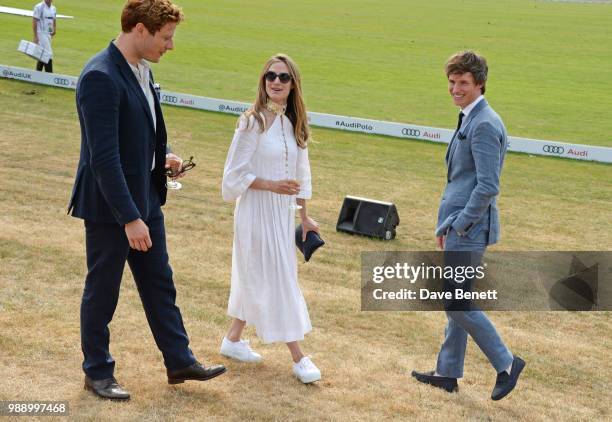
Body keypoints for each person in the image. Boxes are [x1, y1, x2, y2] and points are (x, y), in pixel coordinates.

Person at [67, 0, 225, 401]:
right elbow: (103, 158)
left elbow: (140, 132)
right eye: (166, 37)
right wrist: (129, 218)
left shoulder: (142, 69)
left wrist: (163, 157)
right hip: (112, 208)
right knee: (103, 290)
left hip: (145, 200)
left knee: (159, 283)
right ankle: (97, 372)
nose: (170, 46)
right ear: (140, 29)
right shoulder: (100, 76)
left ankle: (179, 360)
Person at [411, 51, 526, 401]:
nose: (455, 89)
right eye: (452, 82)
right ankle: (447, 372)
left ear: (480, 84)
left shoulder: (485, 123)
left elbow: (488, 186)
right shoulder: (469, 117)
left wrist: (458, 225)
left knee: (456, 302)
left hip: (469, 228)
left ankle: (507, 363)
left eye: (463, 83)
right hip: (460, 226)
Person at [221, 54, 322, 384]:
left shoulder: (293, 124)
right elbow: (233, 175)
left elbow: (301, 174)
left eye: (283, 77)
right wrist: (270, 185)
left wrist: (304, 217)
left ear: (293, 84)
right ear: (263, 81)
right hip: (255, 210)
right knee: (278, 276)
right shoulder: (251, 121)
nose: (276, 81)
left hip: (281, 214)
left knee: (262, 274)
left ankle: (232, 340)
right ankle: (299, 355)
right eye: (270, 76)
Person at [32, 0, 56, 72]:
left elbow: (54, 19)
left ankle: (37, 74)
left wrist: (54, 29)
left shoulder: (53, 8)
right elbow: (34, 21)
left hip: (48, 34)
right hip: (41, 33)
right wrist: (35, 36)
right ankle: (50, 76)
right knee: (48, 54)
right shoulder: (39, 7)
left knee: (42, 54)